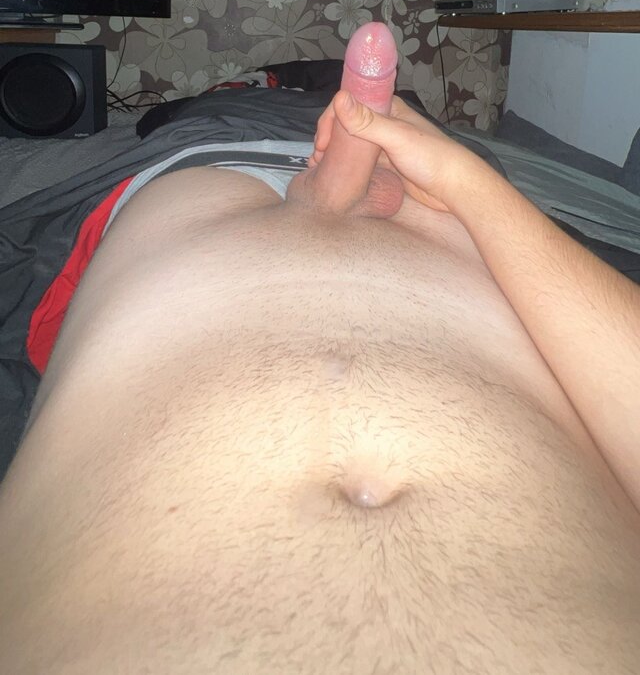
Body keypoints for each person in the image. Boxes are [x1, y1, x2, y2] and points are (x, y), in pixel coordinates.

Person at [1, 87, 639, 674]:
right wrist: (468, 183)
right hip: (338, 177)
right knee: (225, 112)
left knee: (247, 117)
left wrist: (459, 176)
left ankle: (320, 142)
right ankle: (305, 137)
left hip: (253, 169)